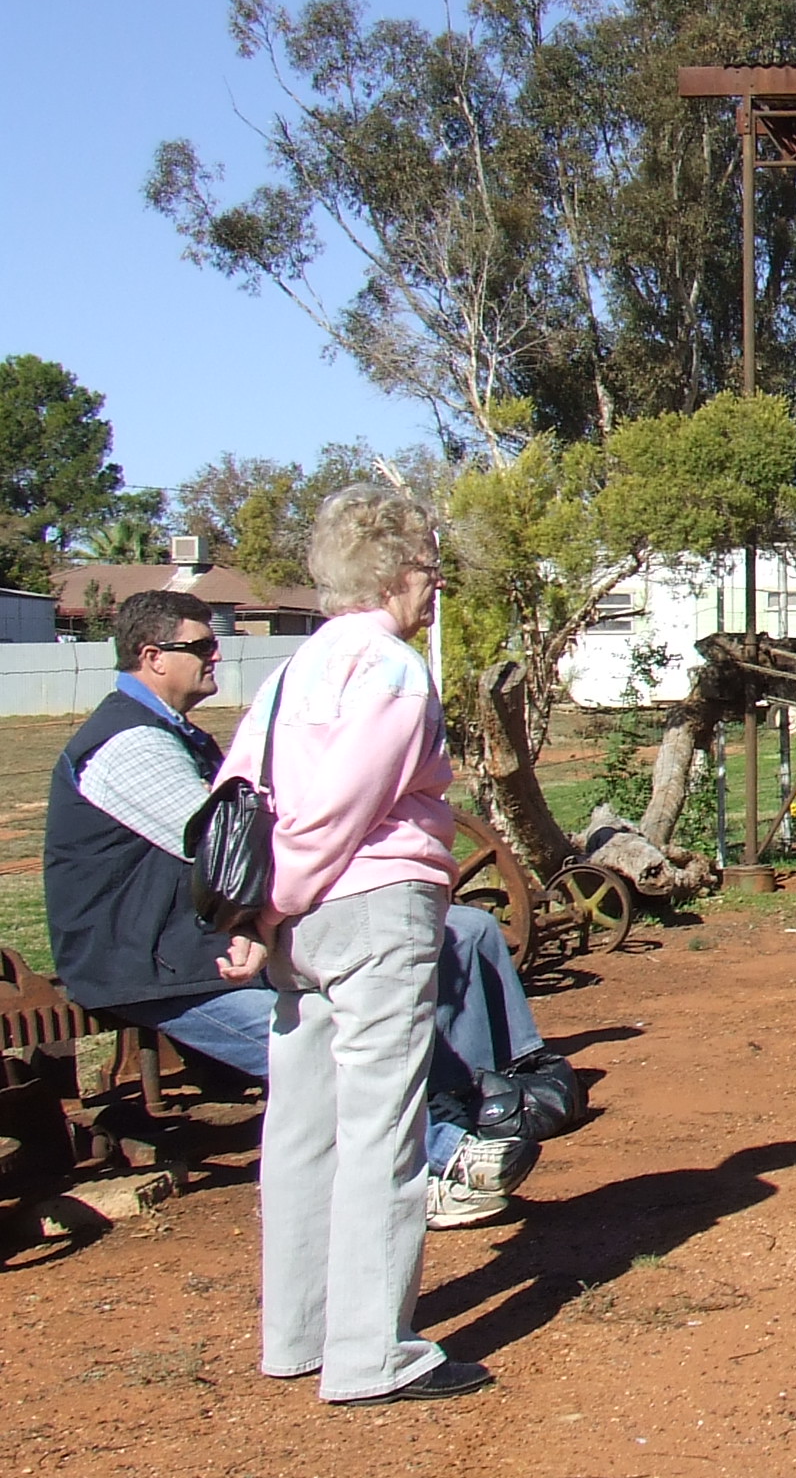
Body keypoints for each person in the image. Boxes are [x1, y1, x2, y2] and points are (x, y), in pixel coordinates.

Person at [41, 587, 548, 1231]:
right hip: (151, 965)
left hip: (197, 946)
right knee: (325, 1052)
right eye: (198, 646)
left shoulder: (176, 735)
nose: (215, 655)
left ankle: (452, 1126)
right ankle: (437, 1168)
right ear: (151, 656)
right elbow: (223, 853)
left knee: (376, 1008)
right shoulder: (126, 746)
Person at [217, 484, 488, 1406]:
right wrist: (279, 897)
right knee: (381, 1123)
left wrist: (258, 911)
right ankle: (373, 1353)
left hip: (300, 922)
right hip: (372, 906)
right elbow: (344, 803)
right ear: (395, 571)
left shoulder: (291, 674)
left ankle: (297, 1333)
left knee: (300, 1124)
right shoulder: (392, 670)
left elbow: (239, 790)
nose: (435, 588)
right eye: (428, 570)